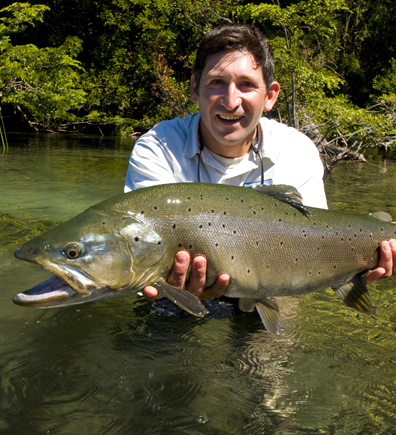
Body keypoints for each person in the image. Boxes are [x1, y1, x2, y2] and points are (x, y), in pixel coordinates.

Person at [124, 23, 396, 302]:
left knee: (273, 339)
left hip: (272, 294)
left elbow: (318, 245)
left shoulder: (296, 150)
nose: (231, 101)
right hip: (174, 293)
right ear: (195, 88)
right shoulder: (158, 147)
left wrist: (365, 262)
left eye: (247, 85)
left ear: (270, 96)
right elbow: (141, 253)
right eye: (217, 82)